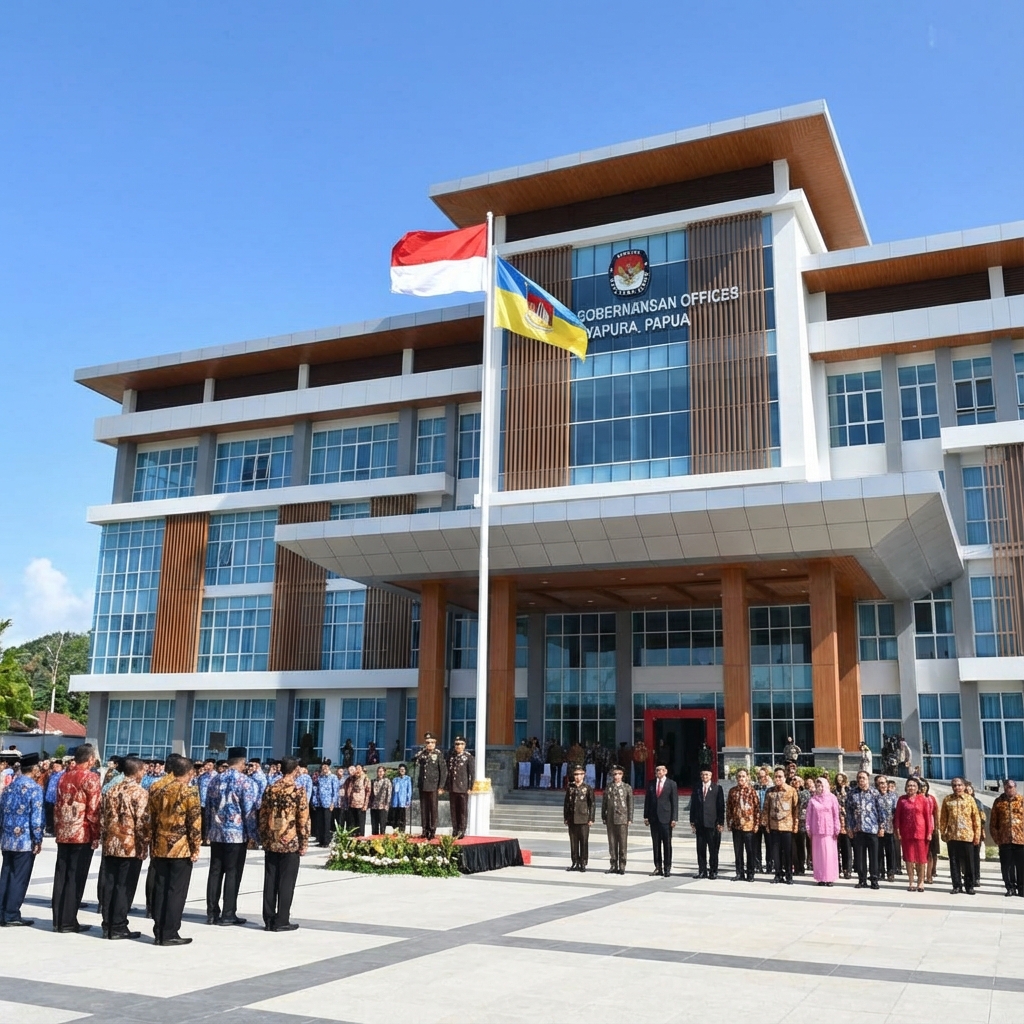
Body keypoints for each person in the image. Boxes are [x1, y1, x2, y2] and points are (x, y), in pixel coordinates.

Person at [147, 753, 201, 945]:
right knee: (176, 891)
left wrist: (151, 843)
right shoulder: (188, 792)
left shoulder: (155, 787)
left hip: (160, 846)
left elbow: (150, 819)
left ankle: (158, 930)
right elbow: (194, 823)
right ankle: (170, 932)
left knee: (160, 889)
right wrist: (196, 848)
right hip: (180, 848)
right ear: (186, 772)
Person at [205, 746, 258, 927]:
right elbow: (249, 811)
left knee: (215, 872)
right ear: (242, 762)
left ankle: (212, 913)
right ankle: (228, 913)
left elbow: (208, 807)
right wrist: (253, 835)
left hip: (216, 832)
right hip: (236, 835)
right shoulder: (245, 782)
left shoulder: (214, 780)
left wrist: (207, 830)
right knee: (233, 873)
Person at [52, 743, 101, 933]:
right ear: (90, 759)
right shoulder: (91, 777)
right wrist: (96, 834)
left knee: (61, 876)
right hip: (81, 833)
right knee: (75, 877)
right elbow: (93, 810)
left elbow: (57, 806)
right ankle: (68, 921)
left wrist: (58, 828)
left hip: (63, 832)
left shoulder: (63, 777)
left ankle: (58, 919)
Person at [98, 755, 149, 939]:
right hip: (130, 846)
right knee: (124, 886)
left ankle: (107, 924)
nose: (144, 773)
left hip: (111, 844)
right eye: (143, 770)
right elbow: (143, 823)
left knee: (110, 884)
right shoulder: (139, 792)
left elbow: (102, 818)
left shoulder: (111, 790)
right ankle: (119, 925)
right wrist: (144, 845)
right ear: (136, 771)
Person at [258, 756, 310, 932]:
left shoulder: (271, 788)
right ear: (295, 770)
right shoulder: (297, 790)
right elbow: (303, 819)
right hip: (290, 841)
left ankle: (269, 919)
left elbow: (263, 815)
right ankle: (282, 920)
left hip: (272, 840)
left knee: (270, 880)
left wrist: (264, 836)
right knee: (286, 882)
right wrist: (304, 842)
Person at [0, 753, 44, 926]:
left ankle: (2, 911)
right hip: (24, 840)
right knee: (19, 877)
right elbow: (37, 817)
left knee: (6, 875)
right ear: (33, 769)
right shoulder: (34, 788)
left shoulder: (9, 787)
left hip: (7, 838)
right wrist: (38, 838)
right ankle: (11, 914)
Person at [939, 776, 982, 895]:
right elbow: (943, 818)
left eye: (959, 785)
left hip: (967, 836)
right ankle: (956, 885)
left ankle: (969, 885)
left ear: (964, 786)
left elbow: (976, 818)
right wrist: (943, 832)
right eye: (954, 785)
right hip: (952, 836)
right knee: (954, 861)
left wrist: (977, 835)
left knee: (969, 862)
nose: (957, 787)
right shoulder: (947, 800)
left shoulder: (970, 799)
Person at [894, 777, 933, 893]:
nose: (911, 787)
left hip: (921, 832)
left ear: (917, 788)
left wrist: (929, 832)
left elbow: (928, 817)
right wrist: (897, 830)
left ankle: (921, 881)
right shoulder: (902, 800)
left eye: (913, 786)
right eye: (909, 785)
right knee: (909, 858)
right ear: (906, 787)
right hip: (906, 833)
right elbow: (897, 817)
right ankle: (911, 881)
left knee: (921, 859)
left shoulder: (923, 800)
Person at [846, 770, 884, 890]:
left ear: (868, 779)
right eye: (859, 778)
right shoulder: (852, 793)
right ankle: (862, 879)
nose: (861, 780)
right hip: (858, 829)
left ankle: (874, 879)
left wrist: (881, 826)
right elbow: (849, 812)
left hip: (872, 829)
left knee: (873, 855)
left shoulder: (875, 793)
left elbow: (880, 811)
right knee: (859, 856)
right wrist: (850, 828)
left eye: (863, 778)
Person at [762, 768, 798, 884]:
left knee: (787, 852)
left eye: (780, 776)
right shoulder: (770, 791)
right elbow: (766, 809)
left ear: (785, 777)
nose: (778, 779)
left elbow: (795, 809)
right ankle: (777, 874)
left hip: (787, 826)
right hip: (774, 827)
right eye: (776, 776)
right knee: (775, 853)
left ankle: (789, 875)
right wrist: (766, 824)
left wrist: (795, 825)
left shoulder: (791, 791)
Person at [989, 778, 1024, 897]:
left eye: (1010, 787)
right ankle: (1010, 887)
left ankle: (1022, 888)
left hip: (1020, 839)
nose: (1007, 789)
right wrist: (996, 838)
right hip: (1004, 839)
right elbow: (993, 822)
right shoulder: (998, 801)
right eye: (1005, 787)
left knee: (1021, 866)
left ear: (1015, 787)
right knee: (1006, 866)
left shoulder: (1022, 800)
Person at [643, 763, 678, 878]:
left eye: (661, 770)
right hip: (654, 818)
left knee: (667, 844)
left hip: (666, 818)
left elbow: (674, 802)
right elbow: (647, 800)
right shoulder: (651, 784)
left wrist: (674, 818)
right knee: (655, 844)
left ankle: (667, 867)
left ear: (666, 771)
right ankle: (658, 867)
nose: (659, 772)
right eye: (657, 770)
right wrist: (646, 816)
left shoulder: (671, 784)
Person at [689, 768, 724, 879]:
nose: (705, 777)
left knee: (713, 849)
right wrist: (692, 821)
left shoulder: (717, 788)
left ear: (711, 775)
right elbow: (693, 806)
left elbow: (721, 806)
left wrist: (720, 822)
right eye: (703, 774)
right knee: (700, 849)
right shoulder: (697, 788)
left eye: (707, 775)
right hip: (700, 823)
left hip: (712, 823)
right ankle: (702, 870)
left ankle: (713, 871)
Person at [805, 777, 841, 886]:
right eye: (817, 786)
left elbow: (836, 814)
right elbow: (809, 816)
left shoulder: (832, 798)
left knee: (829, 855)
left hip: (829, 832)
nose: (819, 788)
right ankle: (820, 877)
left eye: (821, 785)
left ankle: (829, 877)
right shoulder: (813, 800)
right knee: (818, 856)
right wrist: (808, 828)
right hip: (817, 831)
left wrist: (837, 827)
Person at [726, 768, 759, 882]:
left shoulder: (752, 791)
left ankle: (750, 874)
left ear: (747, 778)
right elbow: (729, 808)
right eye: (739, 776)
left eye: (743, 776)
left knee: (750, 851)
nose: (741, 778)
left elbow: (757, 809)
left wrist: (756, 824)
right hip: (736, 825)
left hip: (749, 826)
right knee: (738, 851)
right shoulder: (732, 791)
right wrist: (729, 822)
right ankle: (739, 873)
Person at [600, 765, 632, 874]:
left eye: (619, 774)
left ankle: (622, 865)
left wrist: (630, 818)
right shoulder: (609, 787)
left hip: (622, 818)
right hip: (610, 818)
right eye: (614, 774)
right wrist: (603, 816)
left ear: (622, 775)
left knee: (622, 843)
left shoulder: (627, 787)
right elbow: (604, 803)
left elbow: (630, 804)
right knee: (612, 843)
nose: (616, 776)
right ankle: (613, 864)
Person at [414, 734, 447, 840]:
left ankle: (432, 830)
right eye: (427, 742)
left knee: (433, 809)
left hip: (433, 785)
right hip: (423, 785)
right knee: (424, 808)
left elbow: (443, 771)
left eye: (432, 742)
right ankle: (425, 829)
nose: (430, 744)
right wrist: (419, 754)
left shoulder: (438, 754)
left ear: (435, 743)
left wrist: (441, 786)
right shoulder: (422, 754)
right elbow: (413, 761)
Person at [563, 765, 595, 872]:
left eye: (580, 774)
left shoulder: (587, 788)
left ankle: (583, 863)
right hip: (572, 818)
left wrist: (591, 818)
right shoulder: (570, 788)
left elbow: (592, 804)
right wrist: (566, 817)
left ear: (584, 775)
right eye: (576, 774)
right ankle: (575, 862)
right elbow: (566, 804)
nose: (577, 777)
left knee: (584, 841)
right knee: (573, 842)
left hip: (583, 819)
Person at [446, 736, 475, 839]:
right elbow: (448, 773)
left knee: (462, 810)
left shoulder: (468, 757)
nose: (458, 746)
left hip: (463, 787)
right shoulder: (451, 757)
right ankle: (455, 829)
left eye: (461, 744)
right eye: (457, 744)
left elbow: (471, 773)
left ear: (464, 745)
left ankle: (462, 830)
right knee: (453, 810)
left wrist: (470, 787)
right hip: (452, 787)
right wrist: (446, 786)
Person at [311, 761, 339, 847]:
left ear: (329, 768)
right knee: (320, 822)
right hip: (319, 803)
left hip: (328, 803)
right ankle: (321, 840)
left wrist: (333, 802)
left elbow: (335, 791)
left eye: (326, 767)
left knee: (327, 823)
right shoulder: (320, 778)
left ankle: (327, 841)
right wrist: (314, 802)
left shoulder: (333, 777)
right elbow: (316, 790)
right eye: (323, 768)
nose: (325, 769)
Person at [875, 775, 898, 882]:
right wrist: (880, 826)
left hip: (890, 827)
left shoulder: (893, 796)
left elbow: (896, 811)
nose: (883, 785)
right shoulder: (875, 796)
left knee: (890, 851)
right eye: (880, 783)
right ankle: (880, 871)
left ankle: (891, 872)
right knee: (879, 851)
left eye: (884, 783)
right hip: (878, 828)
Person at [965, 782, 987, 889]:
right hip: (964, 834)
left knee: (975, 857)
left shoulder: (978, 803)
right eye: (966, 790)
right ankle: (968, 878)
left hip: (976, 833)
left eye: (970, 790)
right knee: (965, 858)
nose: (968, 792)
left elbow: (983, 818)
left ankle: (976, 878)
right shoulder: (961, 802)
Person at [920, 778, 941, 884]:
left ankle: (929, 875)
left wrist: (936, 827)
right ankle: (921, 875)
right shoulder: (916, 798)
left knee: (931, 854)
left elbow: (936, 813)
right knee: (921, 854)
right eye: (921, 786)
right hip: (919, 829)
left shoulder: (931, 798)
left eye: (925, 786)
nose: (923, 788)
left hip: (931, 829)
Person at [752, 766, 772, 874]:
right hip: (756, 820)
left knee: (769, 844)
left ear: (767, 776)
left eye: (763, 776)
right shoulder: (754, 787)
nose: (761, 779)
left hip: (768, 820)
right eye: (759, 776)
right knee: (756, 844)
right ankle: (757, 865)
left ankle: (770, 865)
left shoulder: (771, 788)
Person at [834, 773, 853, 879]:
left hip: (846, 820)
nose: (840, 781)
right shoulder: (833, 791)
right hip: (836, 820)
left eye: (841, 779)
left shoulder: (849, 790)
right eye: (838, 779)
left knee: (847, 847)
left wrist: (843, 791)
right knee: (836, 847)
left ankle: (848, 869)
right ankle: (838, 868)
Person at [345, 764, 371, 836]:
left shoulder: (365, 779)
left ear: (362, 769)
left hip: (361, 805)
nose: (357, 770)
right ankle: (353, 840)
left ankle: (360, 840)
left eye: (359, 768)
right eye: (356, 768)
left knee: (360, 824)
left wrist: (365, 805)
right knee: (352, 825)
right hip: (352, 804)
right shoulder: (352, 779)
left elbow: (368, 792)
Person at [792, 777, 811, 875]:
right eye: (794, 780)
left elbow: (802, 802)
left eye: (799, 781)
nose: (796, 782)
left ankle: (801, 866)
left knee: (801, 846)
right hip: (790, 823)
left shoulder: (806, 793)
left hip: (802, 822)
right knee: (793, 847)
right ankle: (796, 866)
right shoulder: (789, 791)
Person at [196, 758, 216, 845]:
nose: (207, 767)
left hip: (213, 803)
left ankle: (210, 838)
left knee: (212, 821)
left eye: (210, 765)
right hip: (202, 803)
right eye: (206, 765)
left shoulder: (216, 776)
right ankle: (203, 838)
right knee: (203, 822)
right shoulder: (202, 777)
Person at [369, 766, 392, 836]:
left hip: (383, 806)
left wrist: (387, 804)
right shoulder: (373, 781)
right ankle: (374, 842)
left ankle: (381, 841)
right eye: (379, 771)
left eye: (381, 771)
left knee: (382, 826)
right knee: (374, 826)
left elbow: (389, 793)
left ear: (384, 772)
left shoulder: (387, 781)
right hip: (374, 806)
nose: (380, 773)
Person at [390, 763, 412, 833]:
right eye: (400, 769)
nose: (402, 771)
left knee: (402, 816)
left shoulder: (408, 779)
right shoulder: (395, 779)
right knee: (395, 816)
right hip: (395, 801)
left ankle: (402, 830)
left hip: (403, 801)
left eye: (403, 769)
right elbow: (392, 790)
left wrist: (408, 800)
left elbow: (409, 790)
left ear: (405, 770)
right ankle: (395, 830)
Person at [43, 759, 63, 836]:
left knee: (56, 816)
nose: (55, 768)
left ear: (61, 767)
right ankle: (49, 829)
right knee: (49, 814)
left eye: (57, 766)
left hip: (57, 798)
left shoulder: (62, 775)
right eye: (54, 766)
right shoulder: (51, 775)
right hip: (49, 798)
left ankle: (55, 830)